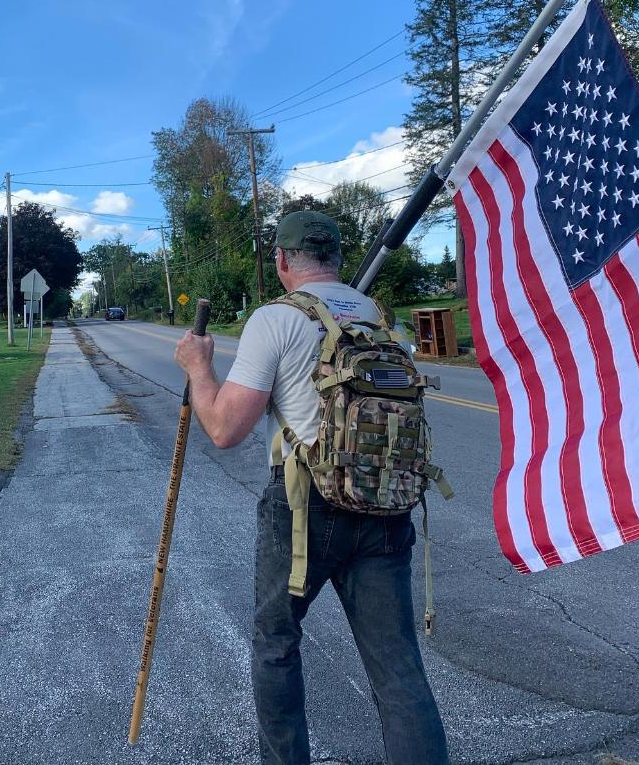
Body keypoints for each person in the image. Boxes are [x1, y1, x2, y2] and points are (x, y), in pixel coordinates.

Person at [174, 210, 449, 765]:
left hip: (305, 510)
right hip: (386, 503)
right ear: (338, 259)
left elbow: (226, 428)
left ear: (281, 261)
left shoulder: (274, 320)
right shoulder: (380, 320)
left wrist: (200, 369)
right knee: (397, 667)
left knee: (276, 646)